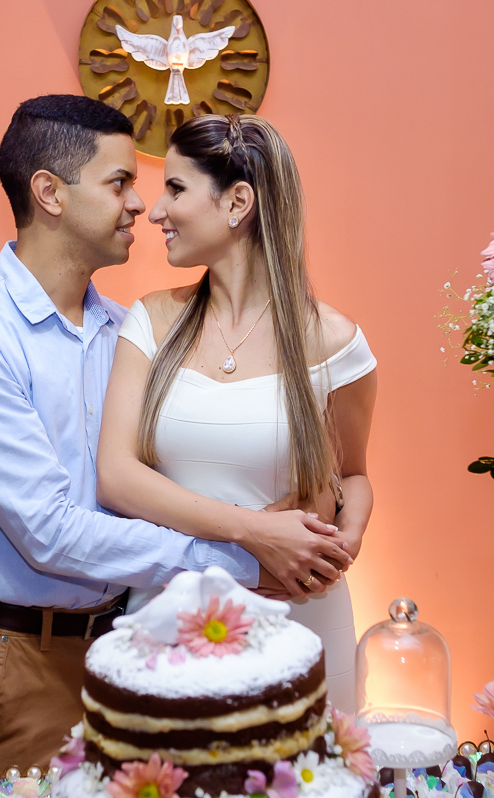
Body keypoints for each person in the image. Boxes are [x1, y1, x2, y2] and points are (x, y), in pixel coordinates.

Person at [0, 96, 351, 772]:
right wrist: (250, 557)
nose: (140, 205)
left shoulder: (130, 328)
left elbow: (179, 474)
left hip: (138, 638)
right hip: (20, 658)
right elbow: (50, 534)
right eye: (120, 182)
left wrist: (333, 510)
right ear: (50, 194)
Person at [96, 114, 378, 713]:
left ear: (237, 203)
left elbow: (352, 475)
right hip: (169, 618)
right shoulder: (149, 322)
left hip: (298, 615)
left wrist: (344, 541)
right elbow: (116, 476)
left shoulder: (337, 343)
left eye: (176, 189)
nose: (154, 211)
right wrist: (252, 532)